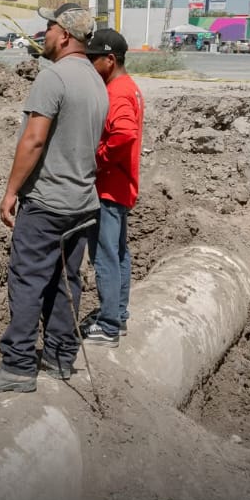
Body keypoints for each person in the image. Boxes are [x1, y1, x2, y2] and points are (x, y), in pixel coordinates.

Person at [0, 3, 108, 395]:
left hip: (47, 203)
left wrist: (11, 191)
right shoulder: (96, 80)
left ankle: (17, 367)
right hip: (82, 203)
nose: (42, 33)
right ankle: (61, 358)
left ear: (64, 34)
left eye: (48, 27)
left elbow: (34, 139)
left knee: (28, 281)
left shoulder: (53, 78)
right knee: (66, 282)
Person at [81, 28, 145, 347]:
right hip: (120, 186)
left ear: (110, 59)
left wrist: (100, 159)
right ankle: (117, 313)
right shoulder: (129, 88)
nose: (90, 64)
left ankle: (108, 326)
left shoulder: (117, 92)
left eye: (94, 59)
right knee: (118, 252)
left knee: (104, 254)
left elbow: (124, 134)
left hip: (108, 187)